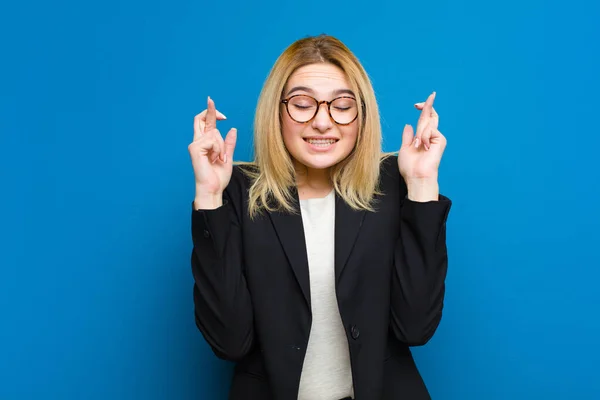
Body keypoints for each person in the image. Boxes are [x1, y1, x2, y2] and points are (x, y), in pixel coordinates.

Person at [188, 34, 452, 400]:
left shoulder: (393, 183)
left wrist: (422, 184)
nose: (323, 122)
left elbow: (416, 327)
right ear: (276, 112)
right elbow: (229, 342)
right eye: (302, 104)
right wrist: (210, 196)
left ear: (362, 113)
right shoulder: (238, 191)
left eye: (341, 105)